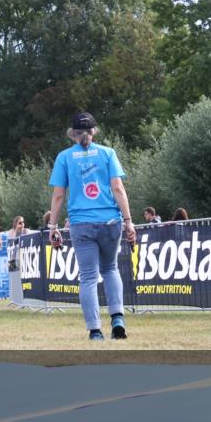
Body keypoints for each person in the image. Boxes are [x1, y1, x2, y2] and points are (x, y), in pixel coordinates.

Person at [48, 112, 136, 341]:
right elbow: (118, 188)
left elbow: (58, 196)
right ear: (94, 131)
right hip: (110, 221)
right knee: (110, 269)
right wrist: (128, 221)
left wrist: (52, 226)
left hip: (81, 224)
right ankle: (117, 318)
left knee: (88, 277)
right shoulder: (108, 153)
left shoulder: (64, 157)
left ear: (73, 134)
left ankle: (95, 330)